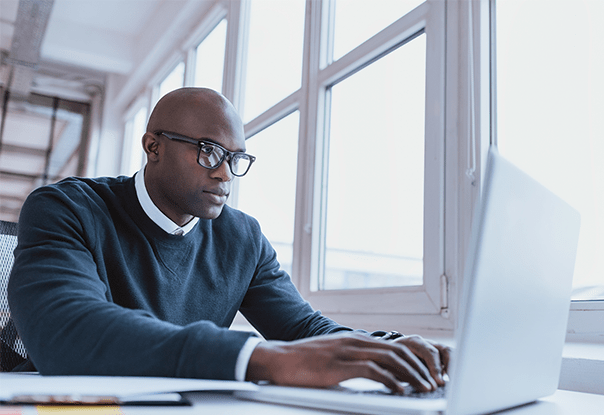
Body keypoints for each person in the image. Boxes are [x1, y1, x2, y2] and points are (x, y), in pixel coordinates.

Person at [8, 87, 450, 394]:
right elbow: (65, 332)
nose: (223, 172)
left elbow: (301, 330)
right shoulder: (67, 208)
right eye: (209, 151)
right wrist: (259, 358)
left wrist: (386, 347)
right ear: (153, 147)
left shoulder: (243, 238)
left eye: (235, 159)